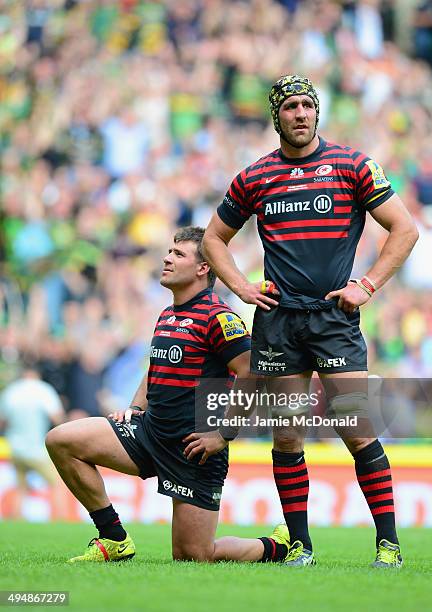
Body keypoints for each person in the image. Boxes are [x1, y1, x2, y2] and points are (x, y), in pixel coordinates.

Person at [201, 75, 419, 568]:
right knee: (286, 435)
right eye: (290, 107)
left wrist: (366, 285)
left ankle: (389, 545)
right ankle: (301, 545)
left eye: (307, 106)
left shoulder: (352, 164)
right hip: (278, 323)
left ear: (316, 112)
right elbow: (214, 239)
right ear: (275, 116)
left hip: (333, 319)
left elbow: (404, 229)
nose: (300, 114)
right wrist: (241, 286)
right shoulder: (254, 177)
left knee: (356, 429)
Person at [45, 227, 289, 563]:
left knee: (193, 556)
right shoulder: (168, 314)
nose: (166, 258)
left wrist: (223, 435)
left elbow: (252, 372)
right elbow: (155, 367)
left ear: (203, 268)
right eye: (169, 251)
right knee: (62, 440)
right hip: (150, 434)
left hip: (193, 448)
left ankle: (277, 546)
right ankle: (113, 538)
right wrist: (134, 407)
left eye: (178, 254)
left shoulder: (219, 317)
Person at [0, 365, 65, 519]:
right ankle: (60, 519)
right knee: (57, 483)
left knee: (20, 488)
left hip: (14, 448)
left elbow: (2, 421)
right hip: (36, 449)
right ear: (37, 375)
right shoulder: (43, 390)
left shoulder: (11, 391)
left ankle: (16, 522)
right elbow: (57, 418)